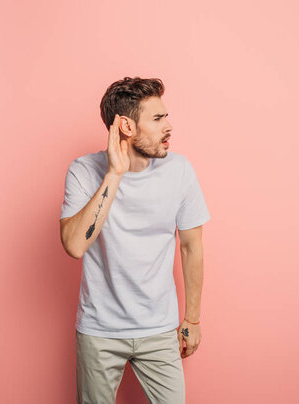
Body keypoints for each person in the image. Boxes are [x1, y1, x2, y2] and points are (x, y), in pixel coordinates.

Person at [59, 76, 211, 404]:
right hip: (100, 330)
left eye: (166, 116)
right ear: (126, 126)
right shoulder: (84, 171)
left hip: (159, 328)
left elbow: (191, 246)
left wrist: (193, 319)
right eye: (157, 119)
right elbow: (74, 246)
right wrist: (115, 173)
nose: (168, 126)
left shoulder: (180, 171)